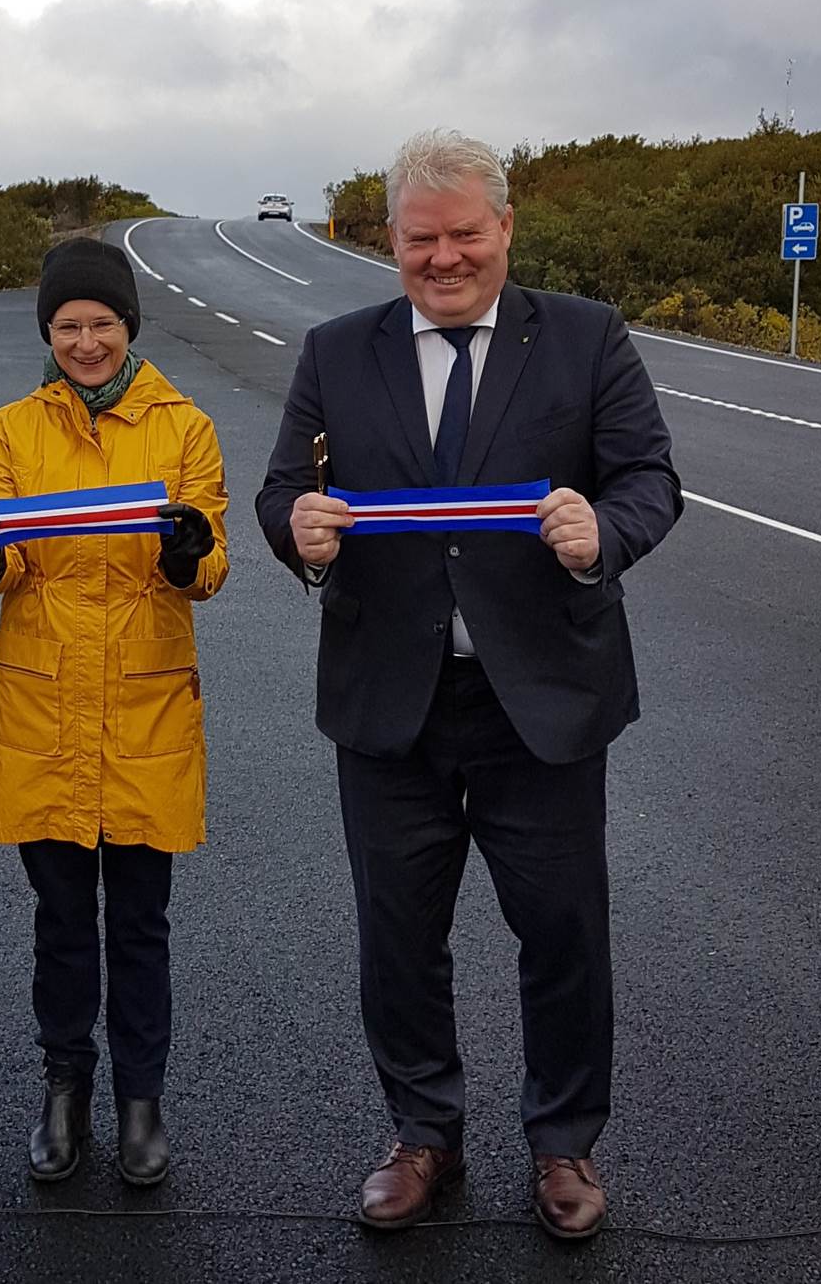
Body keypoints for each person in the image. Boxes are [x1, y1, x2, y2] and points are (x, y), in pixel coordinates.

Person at [255, 129, 681, 1241]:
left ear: (505, 230)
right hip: (389, 704)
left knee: (563, 935)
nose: (444, 260)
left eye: (464, 237)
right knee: (398, 939)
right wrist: (299, 534)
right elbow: (281, 494)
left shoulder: (583, 338)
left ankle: (564, 1146)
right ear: (389, 240)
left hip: (539, 700)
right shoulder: (335, 352)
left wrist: (603, 533)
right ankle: (422, 1135)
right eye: (419, 240)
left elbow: (649, 477)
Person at [0, 238, 228, 1188]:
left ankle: (141, 1100)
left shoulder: (185, 427)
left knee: (142, 923)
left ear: (129, 326)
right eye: (67, 325)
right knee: (61, 920)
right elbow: (1, 563)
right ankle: (65, 1088)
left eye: (102, 323)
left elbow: (211, 559)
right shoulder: (12, 430)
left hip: (145, 707)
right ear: (48, 332)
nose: (86, 341)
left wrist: (189, 551)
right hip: (44, 708)